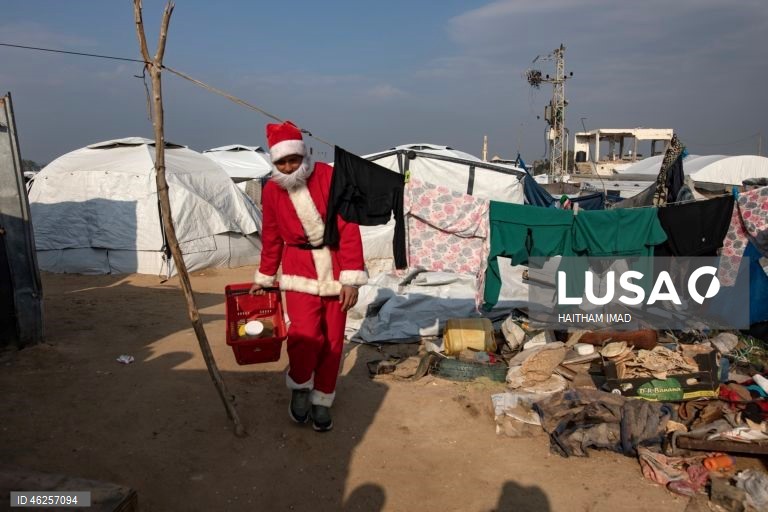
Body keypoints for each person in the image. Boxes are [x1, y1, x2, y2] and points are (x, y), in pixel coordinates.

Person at [250, 120, 367, 432]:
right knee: (305, 337)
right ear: (274, 162)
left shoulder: (330, 177)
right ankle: (301, 386)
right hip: (298, 267)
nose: (289, 167)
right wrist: (264, 276)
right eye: (282, 162)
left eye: (293, 159)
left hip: (337, 263)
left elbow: (348, 227)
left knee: (331, 342)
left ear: (304, 155)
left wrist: (351, 279)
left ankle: (322, 398)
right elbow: (272, 237)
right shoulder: (272, 191)